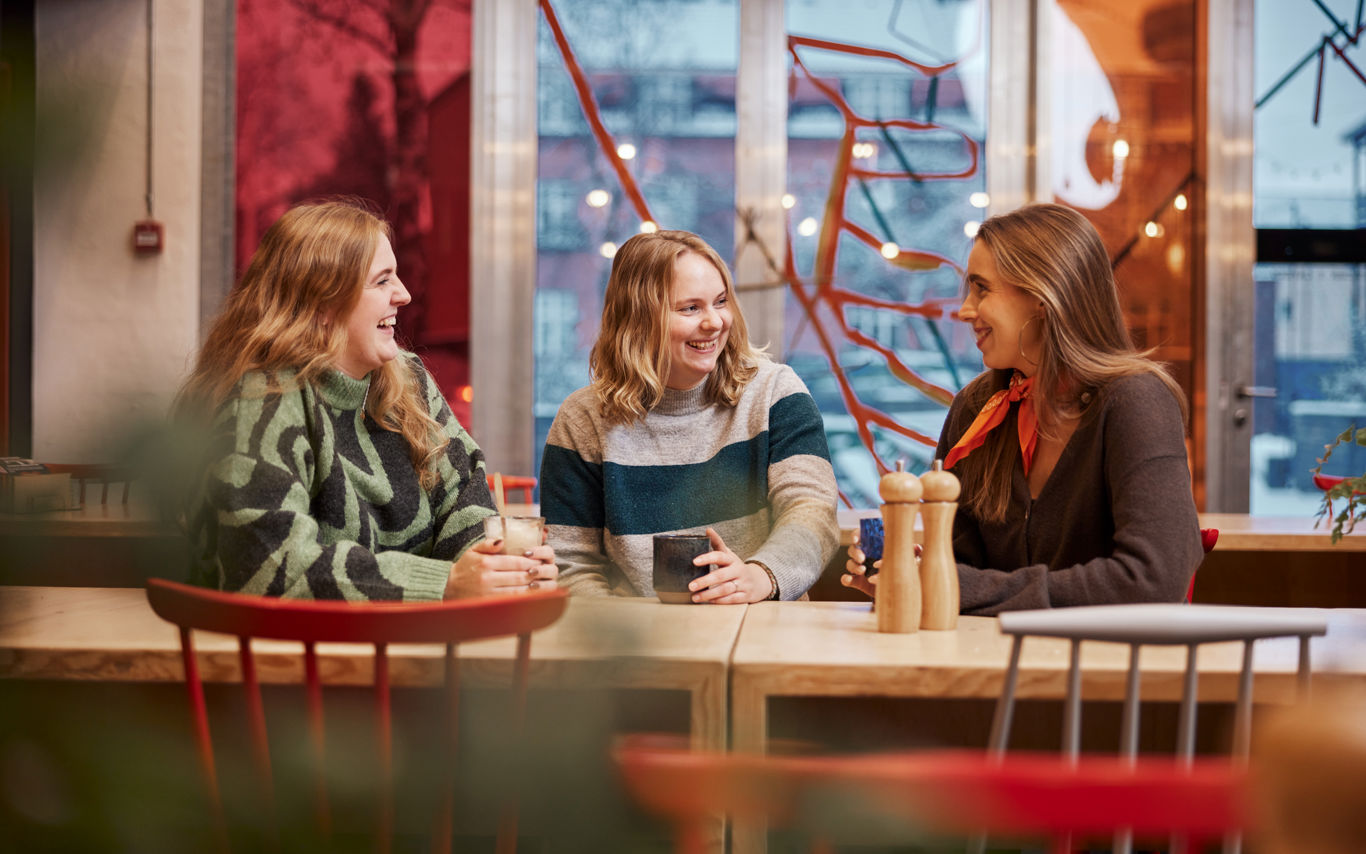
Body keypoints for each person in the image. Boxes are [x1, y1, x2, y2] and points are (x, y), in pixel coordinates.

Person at [176, 199, 557, 600]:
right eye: (382, 281)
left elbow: (465, 500)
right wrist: (444, 583)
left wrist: (496, 568)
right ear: (323, 304)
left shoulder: (408, 380)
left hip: (411, 644)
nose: (404, 295)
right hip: (301, 655)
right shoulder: (264, 396)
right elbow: (266, 567)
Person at [844, 203, 1202, 614]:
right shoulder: (976, 407)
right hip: (992, 667)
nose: (964, 310)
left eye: (981, 289)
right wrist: (907, 577)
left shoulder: (1135, 400)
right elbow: (966, 570)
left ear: (1042, 296)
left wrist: (961, 586)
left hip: (1107, 671)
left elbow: (1155, 580)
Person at [540, 229, 839, 602]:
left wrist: (759, 576)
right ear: (638, 320)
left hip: (764, 631)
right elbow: (571, 564)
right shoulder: (582, 419)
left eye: (721, 302)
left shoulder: (775, 392)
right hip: (636, 647)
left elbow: (812, 512)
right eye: (690, 308)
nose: (714, 322)